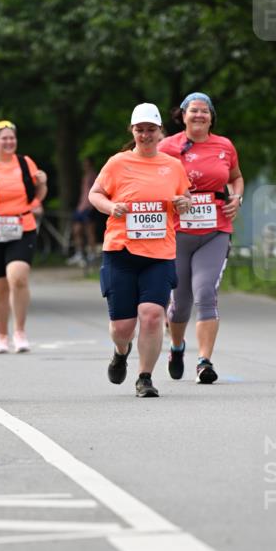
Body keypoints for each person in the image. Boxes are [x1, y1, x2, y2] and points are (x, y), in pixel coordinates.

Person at [89, 103, 191, 398]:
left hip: (159, 253)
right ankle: (121, 352)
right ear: (132, 131)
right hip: (121, 251)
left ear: (161, 132)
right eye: (140, 130)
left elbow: (184, 198)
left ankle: (144, 377)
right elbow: (94, 194)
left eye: (151, 129)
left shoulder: (172, 165)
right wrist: (112, 207)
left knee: (151, 315)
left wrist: (184, 203)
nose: (145, 135)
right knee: (122, 327)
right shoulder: (117, 163)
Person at [158, 91, 244, 384]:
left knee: (206, 292)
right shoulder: (167, 147)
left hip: (215, 230)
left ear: (211, 117)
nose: (199, 115)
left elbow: (236, 177)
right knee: (180, 302)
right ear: (182, 115)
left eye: (204, 111)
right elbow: (154, 181)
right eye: (193, 110)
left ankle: (204, 362)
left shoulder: (224, 145)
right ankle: (177, 346)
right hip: (178, 231)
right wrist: (172, 199)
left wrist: (238, 197)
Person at [0, 120, 48, 353]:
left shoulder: (25, 162)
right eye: (3, 138)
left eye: (12, 137)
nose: (9, 142)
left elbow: (37, 194)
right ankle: (2, 336)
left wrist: (42, 186)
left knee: (18, 277)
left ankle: (20, 332)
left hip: (22, 226)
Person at [67, 157, 98, 266]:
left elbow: (96, 192)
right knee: (76, 230)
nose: (84, 165)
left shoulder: (93, 176)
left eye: (86, 163)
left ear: (90, 164)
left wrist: (91, 206)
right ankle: (79, 253)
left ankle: (92, 254)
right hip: (81, 207)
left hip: (89, 207)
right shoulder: (85, 176)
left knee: (89, 232)